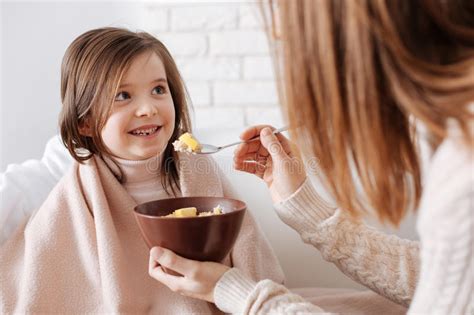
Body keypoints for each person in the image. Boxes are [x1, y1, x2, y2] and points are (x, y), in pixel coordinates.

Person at [146, 1, 474, 314]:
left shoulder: (463, 171)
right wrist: (305, 208)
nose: (277, 30)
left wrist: (237, 293)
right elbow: (444, 276)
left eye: (285, 9)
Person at [0, 27, 284, 313]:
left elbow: (245, 242)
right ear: (85, 122)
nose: (148, 108)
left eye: (159, 90)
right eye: (122, 95)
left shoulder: (198, 168)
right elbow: (45, 266)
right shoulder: (79, 192)